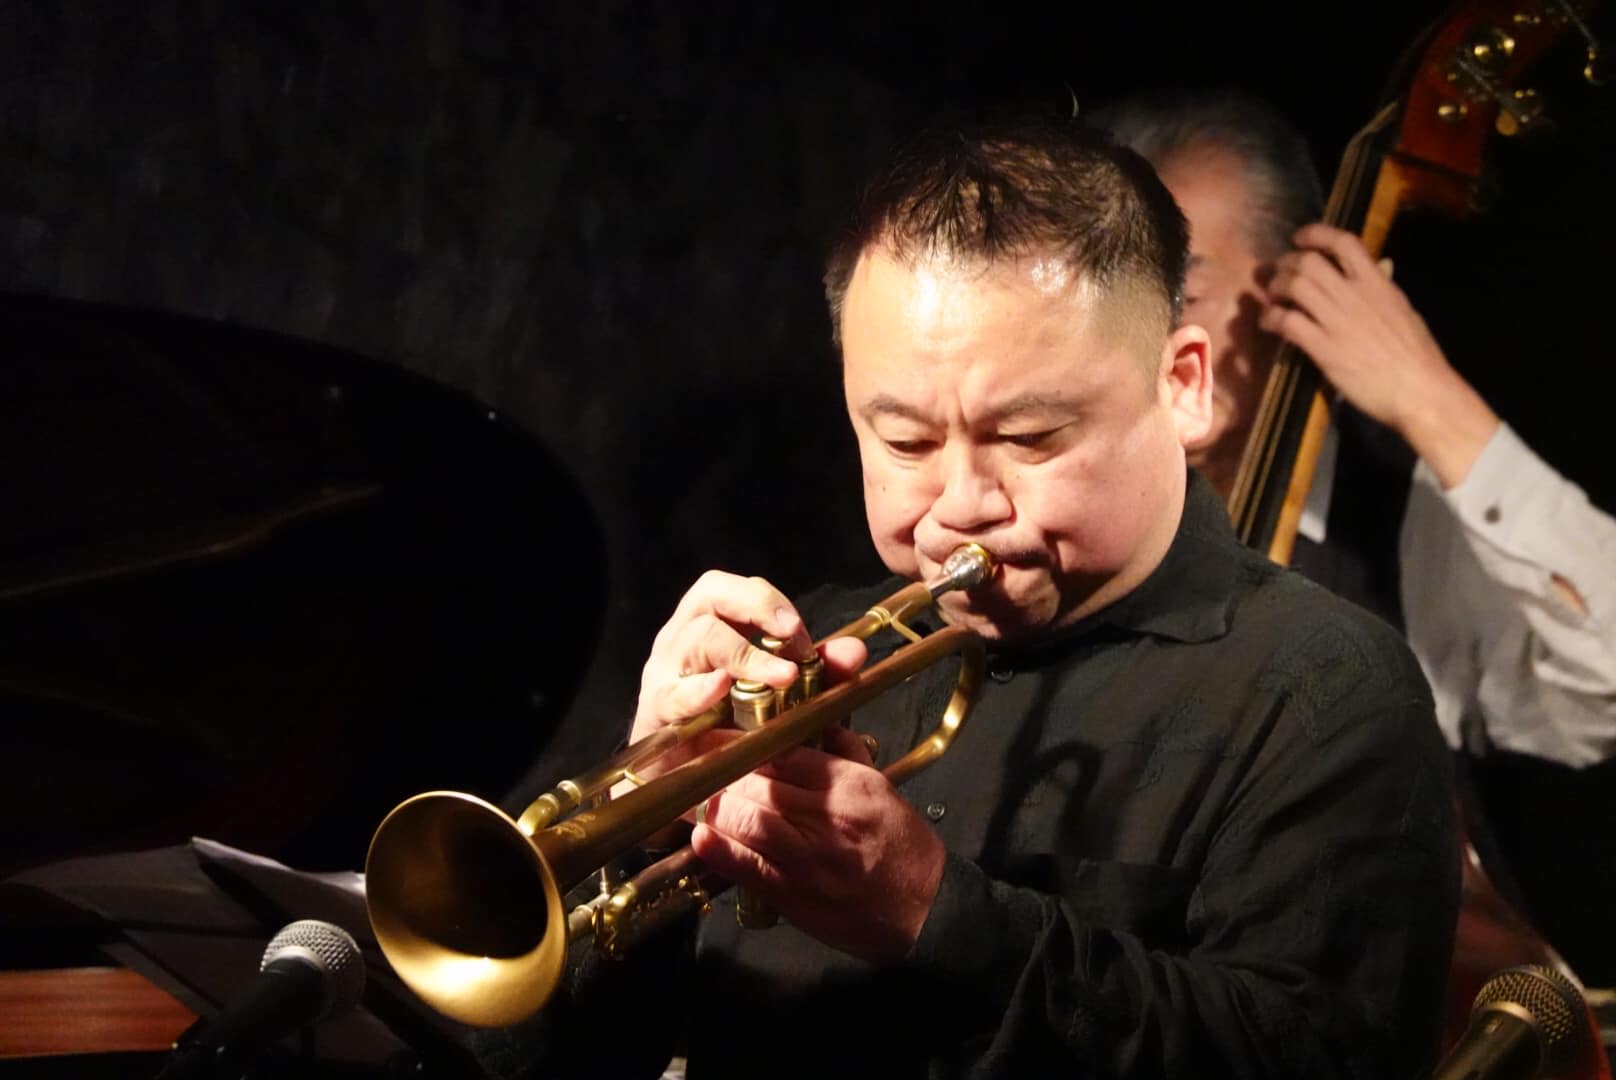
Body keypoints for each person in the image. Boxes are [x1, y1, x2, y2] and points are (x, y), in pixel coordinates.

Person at [471, 112, 1459, 1080]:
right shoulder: (805, 649)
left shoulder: (1328, 690)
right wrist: (635, 826)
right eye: (903, 441)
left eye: (1029, 437)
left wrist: (933, 916)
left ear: (1183, 385)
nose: (960, 506)